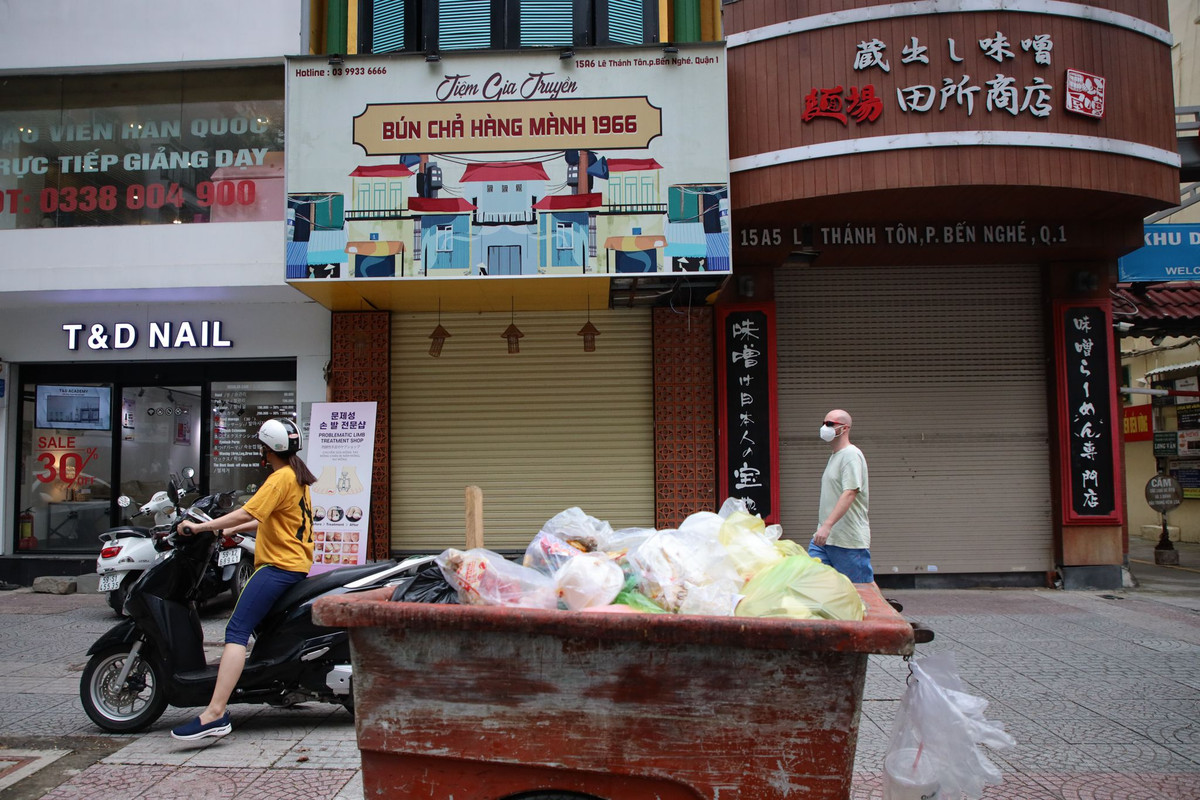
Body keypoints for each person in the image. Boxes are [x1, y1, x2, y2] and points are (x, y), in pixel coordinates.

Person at [170, 418, 316, 740]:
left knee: (236, 630)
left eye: (261, 447)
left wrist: (200, 528)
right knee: (266, 629)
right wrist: (230, 530)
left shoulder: (279, 479)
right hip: (295, 564)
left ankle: (214, 714)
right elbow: (271, 520)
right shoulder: (296, 477)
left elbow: (247, 513)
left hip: (278, 566)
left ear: (267, 450)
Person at [809, 409, 872, 583]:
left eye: (830, 424)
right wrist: (824, 528)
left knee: (861, 590)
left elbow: (850, 492)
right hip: (823, 538)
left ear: (844, 428)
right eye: (823, 423)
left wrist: (827, 525)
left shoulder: (851, 455)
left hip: (847, 540)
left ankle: (883, 609)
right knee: (818, 583)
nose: (824, 427)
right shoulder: (835, 456)